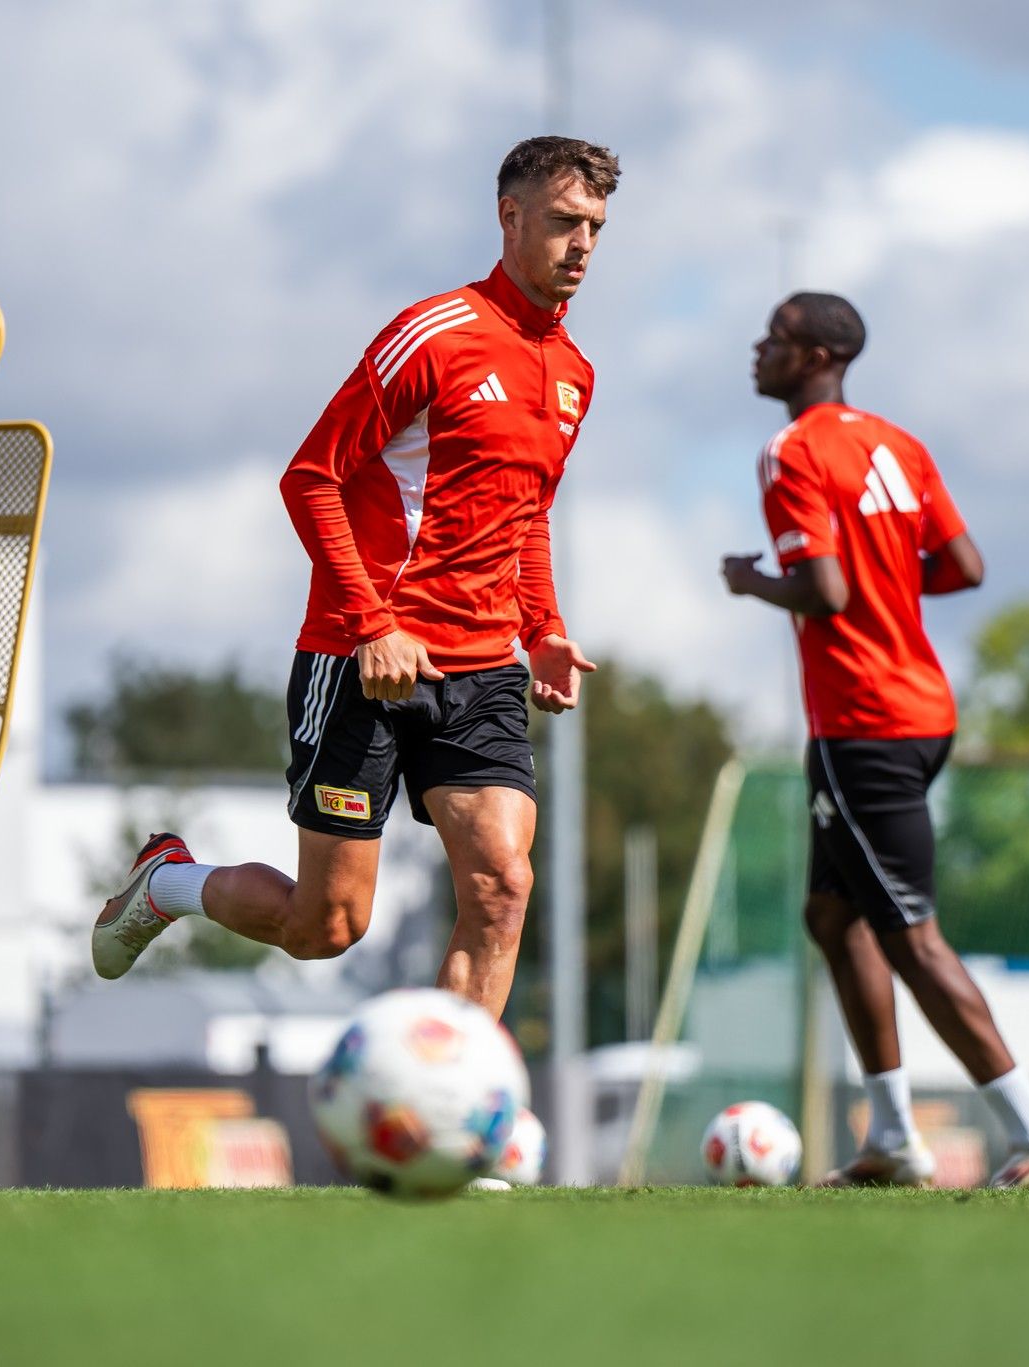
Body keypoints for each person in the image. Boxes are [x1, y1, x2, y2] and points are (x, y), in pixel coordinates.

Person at [90, 137, 616, 1019]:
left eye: (596, 227)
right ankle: (169, 882)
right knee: (328, 923)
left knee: (501, 886)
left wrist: (545, 630)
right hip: (361, 658)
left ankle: (456, 1127)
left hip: (484, 668)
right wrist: (373, 623)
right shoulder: (434, 336)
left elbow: (527, 514)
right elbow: (310, 477)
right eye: (565, 222)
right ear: (510, 216)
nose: (582, 245)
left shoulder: (574, 375)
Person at [722, 293, 1029, 1189]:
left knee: (912, 935)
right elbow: (964, 567)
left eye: (773, 338)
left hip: (863, 722)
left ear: (811, 354)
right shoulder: (899, 443)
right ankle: (892, 1137)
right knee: (832, 914)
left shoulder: (791, 451)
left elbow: (825, 592)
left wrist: (754, 582)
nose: (757, 350)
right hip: (922, 709)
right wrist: (885, 577)